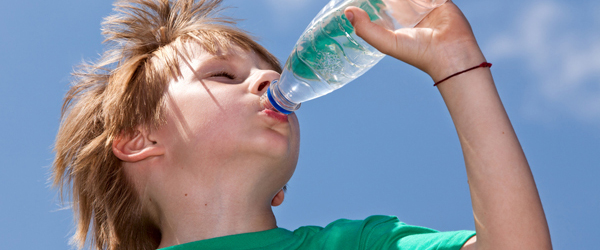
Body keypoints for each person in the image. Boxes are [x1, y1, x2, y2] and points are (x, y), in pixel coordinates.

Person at [52, 0, 552, 249]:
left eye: (266, 69)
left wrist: (458, 66)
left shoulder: (359, 244)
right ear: (139, 140)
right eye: (223, 74)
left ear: (282, 188)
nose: (270, 76)